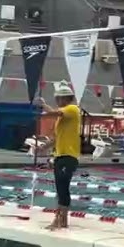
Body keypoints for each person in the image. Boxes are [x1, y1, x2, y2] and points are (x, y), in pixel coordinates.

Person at [39, 82, 81, 231]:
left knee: (63, 187)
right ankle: (62, 220)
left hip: (69, 156)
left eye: (58, 99)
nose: (57, 102)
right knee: (60, 188)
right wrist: (43, 147)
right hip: (60, 155)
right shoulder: (62, 118)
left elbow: (53, 113)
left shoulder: (72, 109)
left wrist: (43, 105)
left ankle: (60, 220)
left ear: (65, 98)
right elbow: (57, 138)